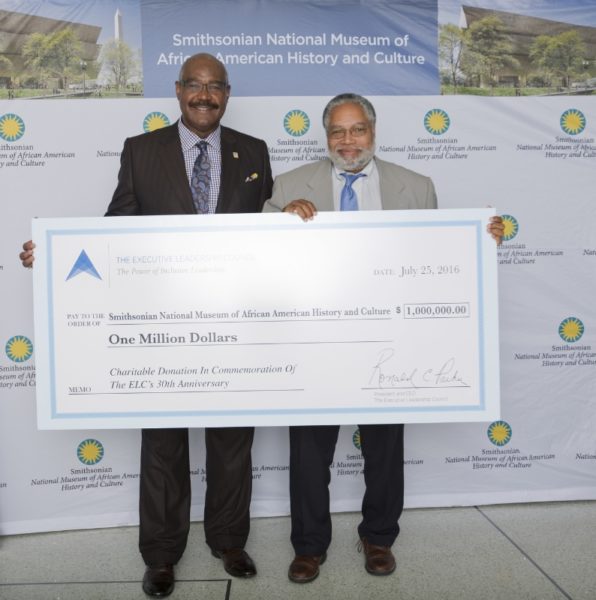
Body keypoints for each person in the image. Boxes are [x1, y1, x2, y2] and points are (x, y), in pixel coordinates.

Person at [20, 53, 273, 598]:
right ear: (177, 90)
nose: (204, 96)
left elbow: (270, 236)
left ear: (227, 93)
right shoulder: (142, 151)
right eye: (194, 86)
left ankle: (229, 539)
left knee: (233, 439)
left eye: (215, 87)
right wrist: (57, 254)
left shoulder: (253, 152)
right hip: (161, 322)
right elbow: (117, 228)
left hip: (236, 319)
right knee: (163, 441)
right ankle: (161, 554)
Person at [265, 92, 504, 584]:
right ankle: (309, 546)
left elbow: (438, 260)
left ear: (373, 132)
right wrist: (283, 220)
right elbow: (260, 254)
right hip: (317, 341)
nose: (348, 141)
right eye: (338, 132)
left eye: (358, 131)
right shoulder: (289, 186)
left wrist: (480, 243)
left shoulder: (416, 187)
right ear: (325, 136)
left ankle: (378, 537)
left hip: (390, 341)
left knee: (384, 447)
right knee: (309, 451)